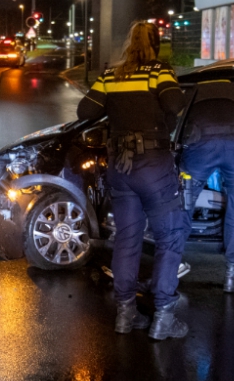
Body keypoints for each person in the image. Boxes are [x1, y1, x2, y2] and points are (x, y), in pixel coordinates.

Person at [77, 21, 190, 340]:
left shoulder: (111, 75)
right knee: (170, 235)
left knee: (127, 238)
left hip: (120, 166)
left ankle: (126, 315)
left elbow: (84, 110)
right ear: (156, 44)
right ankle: (164, 317)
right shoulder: (158, 71)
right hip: (152, 164)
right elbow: (175, 104)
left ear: (128, 43)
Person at [179, 79, 234, 292]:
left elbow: (178, 121)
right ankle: (233, 276)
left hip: (201, 145)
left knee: (183, 204)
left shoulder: (193, 91)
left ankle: (171, 265)